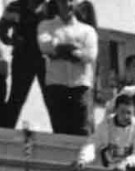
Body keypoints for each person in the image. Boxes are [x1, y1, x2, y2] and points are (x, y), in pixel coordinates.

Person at [35, 0, 95, 136]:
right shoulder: (46, 26)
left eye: (70, 1)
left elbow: (90, 55)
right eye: (63, 1)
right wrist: (74, 50)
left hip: (80, 87)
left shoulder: (87, 30)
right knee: (60, 131)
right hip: (56, 86)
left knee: (83, 132)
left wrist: (61, 51)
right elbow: (45, 47)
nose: (67, 5)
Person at [0, 0, 48, 126]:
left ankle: (60, 138)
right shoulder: (15, 6)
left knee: (51, 101)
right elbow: (0, 30)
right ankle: (6, 134)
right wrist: (12, 41)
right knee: (16, 99)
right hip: (22, 59)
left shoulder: (52, 7)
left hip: (46, 60)